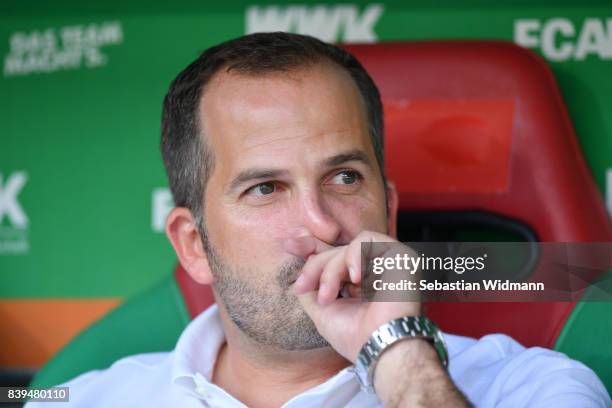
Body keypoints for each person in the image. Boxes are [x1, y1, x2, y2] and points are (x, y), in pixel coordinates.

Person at [27, 32, 611, 408]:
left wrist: (402, 360)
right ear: (193, 246)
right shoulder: (82, 400)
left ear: (390, 209)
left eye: (345, 178)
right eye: (265, 188)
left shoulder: (533, 388)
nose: (323, 225)